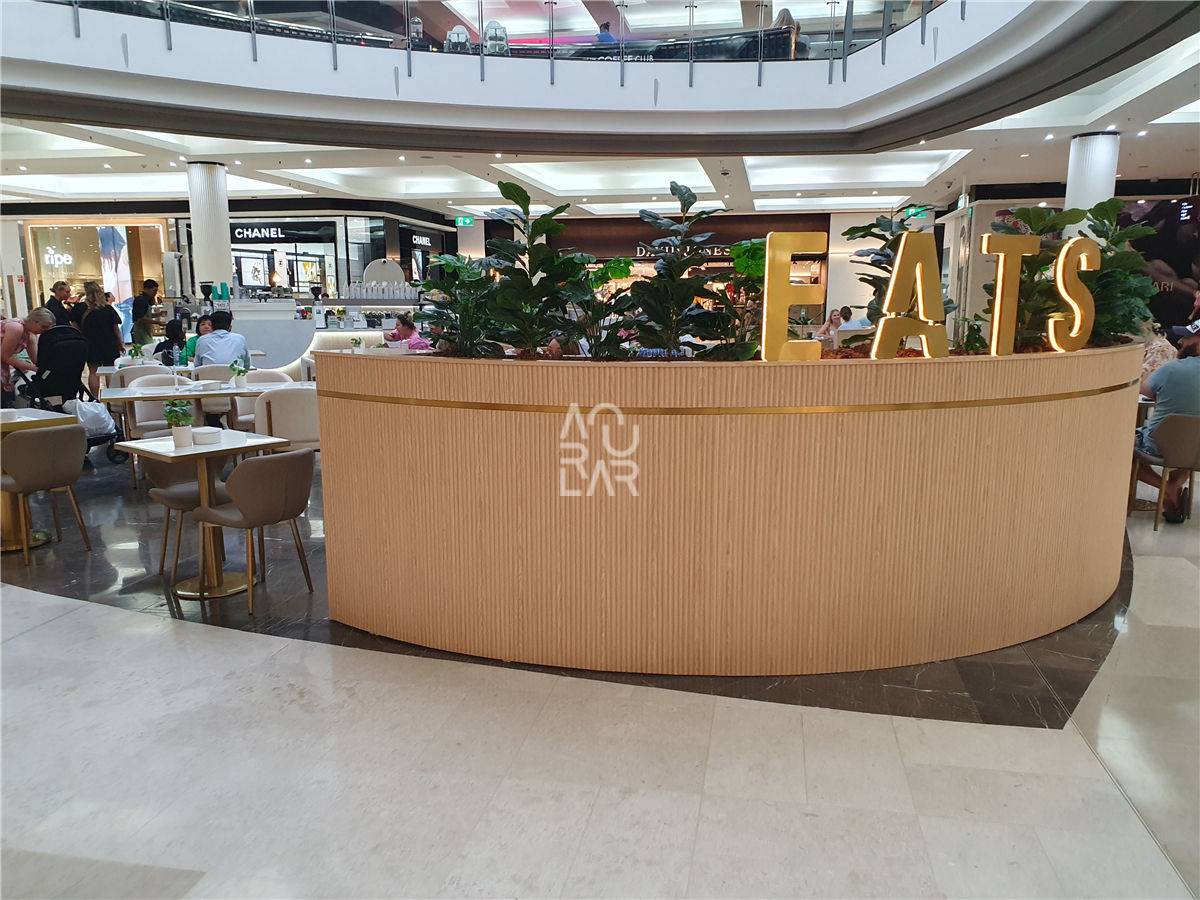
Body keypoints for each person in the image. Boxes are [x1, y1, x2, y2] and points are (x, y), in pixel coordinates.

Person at [1135, 321, 1200, 524]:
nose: (1180, 341)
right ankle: (1174, 485)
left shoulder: (1172, 369)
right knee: (1191, 447)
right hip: (1197, 451)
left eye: (1187, 338)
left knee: (1122, 448)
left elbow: (1144, 390)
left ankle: (1165, 487)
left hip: (1159, 445)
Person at [0, 307, 56, 407]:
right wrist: (34, 368)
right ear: (34, 321)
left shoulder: (29, 335)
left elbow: (37, 361)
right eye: (43, 327)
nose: (44, 331)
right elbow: (5, 356)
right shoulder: (16, 327)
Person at [78, 282, 124, 397]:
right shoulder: (108, 309)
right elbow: (116, 329)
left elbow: (74, 325)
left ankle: (94, 397)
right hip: (109, 343)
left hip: (90, 344)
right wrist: (121, 343)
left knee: (93, 372)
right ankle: (111, 397)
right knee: (110, 371)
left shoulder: (81, 309)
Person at [128, 279, 158, 347]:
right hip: (139, 332)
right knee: (143, 349)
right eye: (153, 290)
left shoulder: (147, 300)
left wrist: (159, 314)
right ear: (146, 289)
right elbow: (140, 318)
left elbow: (147, 315)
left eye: (156, 291)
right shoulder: (140, 300)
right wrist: (157, 322)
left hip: (146, 331)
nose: (155, 293)